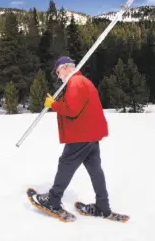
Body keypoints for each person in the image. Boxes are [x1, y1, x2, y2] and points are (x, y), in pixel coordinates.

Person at [34, 56, 116, 219]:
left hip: (81, 135)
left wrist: (53, 105)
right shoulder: (83, 81)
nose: (58, 76)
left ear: (65, 68)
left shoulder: (75, 83)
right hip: (91, 134)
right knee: (95, 170)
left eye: (58, 72)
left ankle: (53, 199)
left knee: (66, 164)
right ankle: (103, 206)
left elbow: (71, 109)